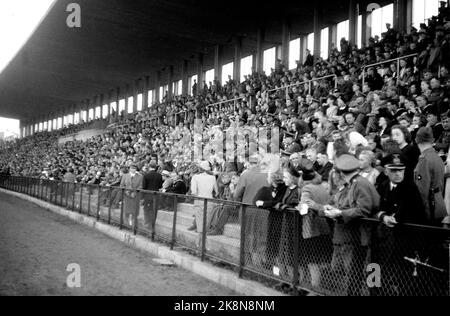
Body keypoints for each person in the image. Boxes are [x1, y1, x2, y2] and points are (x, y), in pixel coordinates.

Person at [321, 154, 380, 296]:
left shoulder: (359, 184)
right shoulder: (356, 183)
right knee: (356, 273)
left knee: (362, 273)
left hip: (365, 236)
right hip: (359, 236)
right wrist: (335, 210)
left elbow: (363, 210)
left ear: (341, 172)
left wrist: (339, 213)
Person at [414, 127, 448, 225]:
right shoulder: (437, 158)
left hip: (429, 207)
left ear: (417, 141)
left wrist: (422, 214)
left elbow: (422, 191)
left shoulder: (424, 160)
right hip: (439, 204)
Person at [254, 172, 287, 270]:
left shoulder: (284, 188)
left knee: (278, 241)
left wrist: (264, 203)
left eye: (268, 177)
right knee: (271, 238)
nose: (267, 178)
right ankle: (269, 263)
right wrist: (269, 204)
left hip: (282, 218)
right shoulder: (267, 189)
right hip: (272, 216)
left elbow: (277, 202)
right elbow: (255, 201)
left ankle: (278, 268)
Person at [188, 161, 218, 232]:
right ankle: (202, 242)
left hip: (199, 201)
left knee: (200, 227)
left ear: (200, 168)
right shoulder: (212, 177)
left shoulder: (195, 177)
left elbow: (194, 192)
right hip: (209, 201)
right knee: (205, 227)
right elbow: (216, 193)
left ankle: (199, 242)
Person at [142, 162, 163, 231]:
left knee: (146, 210)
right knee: (154, 210)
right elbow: (160, 186)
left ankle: (147, 223)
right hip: (156, 195)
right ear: (155, 167)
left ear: (149, 166)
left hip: (148, 195)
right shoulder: (159, 175)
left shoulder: (146, 175)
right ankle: (152, 224)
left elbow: (144, 187)